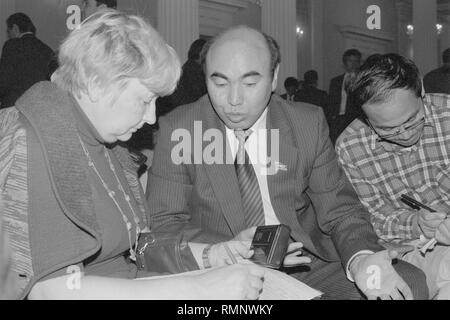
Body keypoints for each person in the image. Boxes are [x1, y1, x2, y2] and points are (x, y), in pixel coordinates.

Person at [146, 25, 428, 300]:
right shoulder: (180, 128)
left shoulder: (305, 122)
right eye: (219, 83)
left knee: (407, 285)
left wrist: (361, 260)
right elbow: (163, 223)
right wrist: (221, 250)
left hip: (303, 262)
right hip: (225, 264)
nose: (233, 99)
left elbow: (339, 209)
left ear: (274, 77)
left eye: (250, 83)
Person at [0, 10, 265, 300]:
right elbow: (52, 290)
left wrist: (211, 255)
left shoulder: (109, 145)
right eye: (145, 99)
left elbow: (136, 248)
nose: (152, 117)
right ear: (97, 83)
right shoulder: (38, 142)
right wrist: (199, 288)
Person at [336, 53, 450, 299]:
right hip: (414, 250)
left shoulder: (448, 114)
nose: (404, 134)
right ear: (366, 117)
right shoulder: (352, 146)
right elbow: (370, 219)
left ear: (421, 90)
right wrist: (417, 223)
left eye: (412, 120)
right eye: (386, 129)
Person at [0, 13, 55, 109]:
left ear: (15, 28)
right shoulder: (48, 50)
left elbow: (4, 79)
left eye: (9, 31)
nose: (9, 35)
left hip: (14, 109)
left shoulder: (12, 45)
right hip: (40, 110)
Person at [328, 49, 362, 144]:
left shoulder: (362, 80)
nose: (353, 64)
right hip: (337, 120)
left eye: (356, 61)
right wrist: (332, 118)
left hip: (355, 120)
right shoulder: (335, 81)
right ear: (344, 63)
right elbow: (331, 101)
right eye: (350, 61)